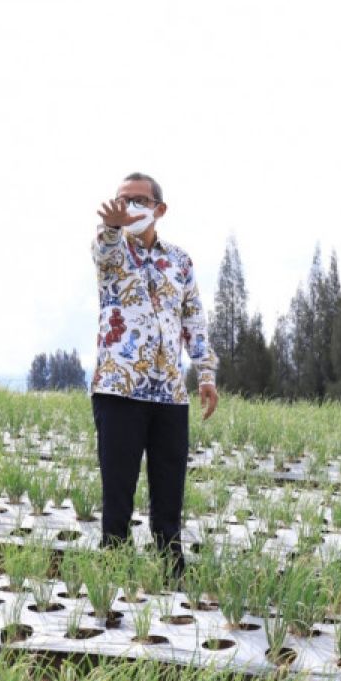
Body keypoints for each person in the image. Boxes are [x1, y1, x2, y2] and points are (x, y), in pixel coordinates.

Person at [90, 172, 219, 579]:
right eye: (123, 200)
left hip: (168, 394)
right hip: (119, 390)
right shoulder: (111, 249)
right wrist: (112, 227)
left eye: (139, 201)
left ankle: (171, 567)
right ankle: (114, 569)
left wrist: (206, 374)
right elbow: (103, 249)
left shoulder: (179, 261)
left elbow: (193, 319)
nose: (130, 207)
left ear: (159, 210)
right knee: (118, 489)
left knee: (169, 488)